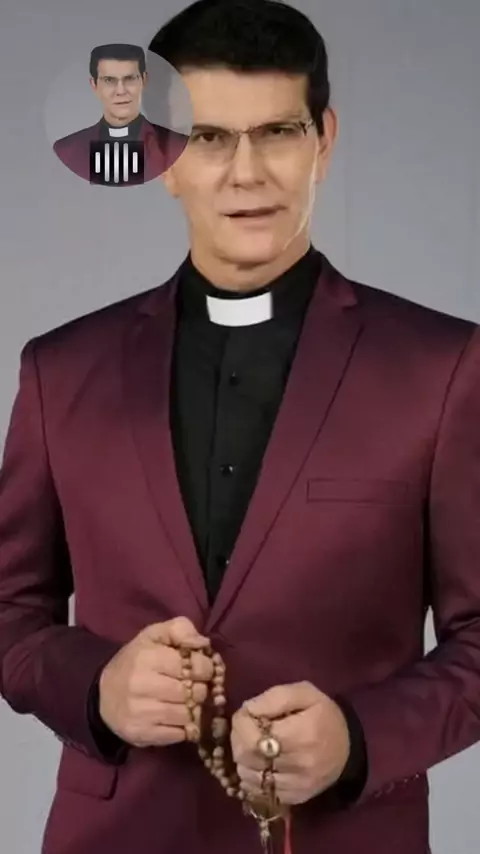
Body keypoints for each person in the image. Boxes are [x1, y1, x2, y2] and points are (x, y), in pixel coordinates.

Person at [1, 0, 480, 851]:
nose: (246, 173)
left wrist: (360, 738)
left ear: (323, 140)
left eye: (278, 133)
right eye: (209, 138)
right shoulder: (60, 371)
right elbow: (10, 611)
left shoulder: (442, 367)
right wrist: (97, 688)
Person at [53, 43, 187, 183]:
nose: (121, 91)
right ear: (94, 85)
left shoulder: (178, 147)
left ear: (144, 81)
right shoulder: (67, 151)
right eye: (109, 80)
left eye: (130, 79)